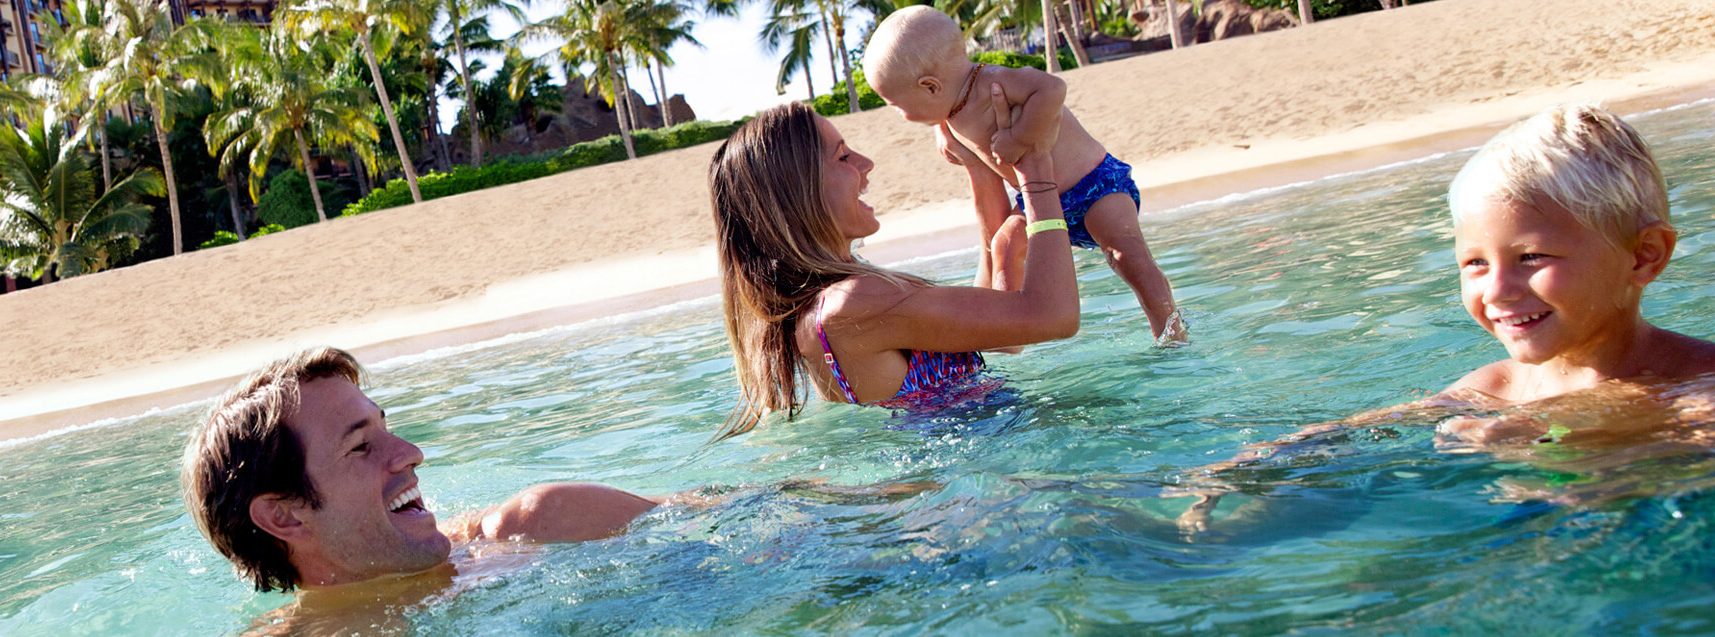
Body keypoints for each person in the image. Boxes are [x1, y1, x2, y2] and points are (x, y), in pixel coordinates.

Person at [1173, 104, 1715, 529]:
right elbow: (1371, 429)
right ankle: (1197, 548)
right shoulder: (1497, 386)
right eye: (1475, 263)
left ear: (1643, 256)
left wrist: (1568, 442)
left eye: (1531, 257)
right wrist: (1272, 456)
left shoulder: (1697, 381)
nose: (1496, 290)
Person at [181, 346, 671, 632]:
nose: (410, 453)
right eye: (360, 446)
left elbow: (717, 520)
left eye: (385, 428)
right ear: (284, 516)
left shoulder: (544, 526)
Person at [708, 99, 1081, 439]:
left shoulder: (837, 301)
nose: (865, 163)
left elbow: (1003, 334)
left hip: (981, 456)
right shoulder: (858, 301)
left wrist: (977, 171)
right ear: (800, 194)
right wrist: (1037, 174)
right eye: (843, 157)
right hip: (994, 458)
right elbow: (1054, 315)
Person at [862, 5, 1185, 343]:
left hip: (1095, 184)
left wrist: (1018, 137)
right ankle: (1010, 334)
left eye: (895, 105)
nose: (898, 113)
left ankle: (1172, 333)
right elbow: (951, 114)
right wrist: (940, 125)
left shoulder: (992, 82)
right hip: (1042, 203)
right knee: (1004, 244)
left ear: (931, 87)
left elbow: (1052, 88)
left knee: (1127, 257)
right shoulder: (952, 109)